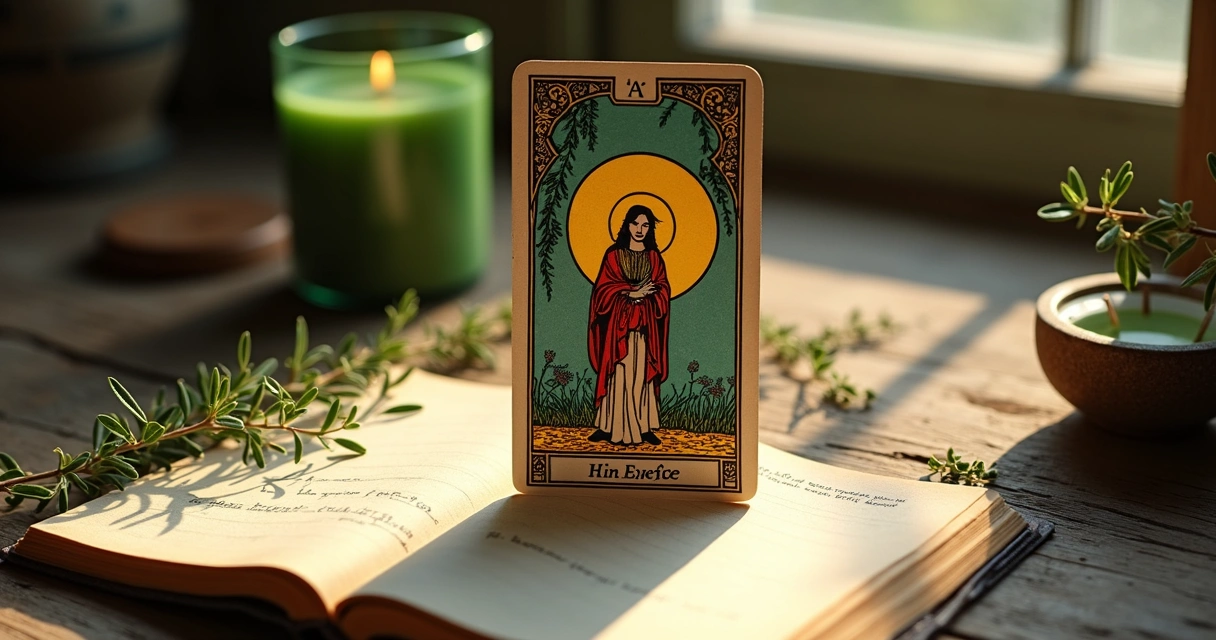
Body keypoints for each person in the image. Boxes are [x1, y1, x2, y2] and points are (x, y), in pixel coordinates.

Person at [587, 204, 670, 445]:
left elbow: (663, 288)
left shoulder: (654, 257)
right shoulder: (613, 255)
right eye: (636, 224)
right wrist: (629, 292)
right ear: (627, 224)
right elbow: (602, 290)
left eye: (646, 225)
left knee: (641, 374)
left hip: (644, 328)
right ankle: (609, 425)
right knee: (618, 371)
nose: (640, 229)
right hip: (618, 327)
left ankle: (643, 427)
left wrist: (651, 295)